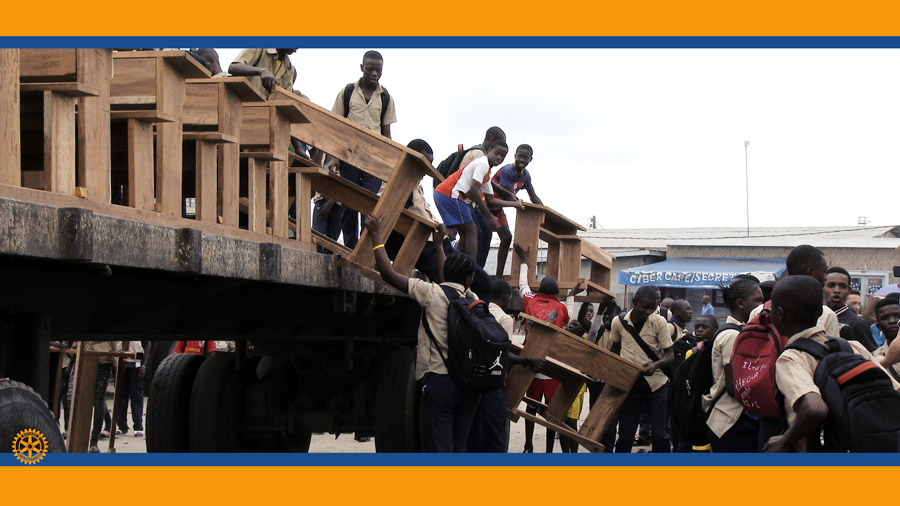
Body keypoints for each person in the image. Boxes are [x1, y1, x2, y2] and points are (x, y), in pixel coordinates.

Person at [366, 214, 479, 452]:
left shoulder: (431, 294)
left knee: (440, 447)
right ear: (470, 278)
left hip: (440, 382)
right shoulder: (474, 301)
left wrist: (377, 236)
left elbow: (388, 274)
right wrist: (438, 246)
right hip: (469, 384)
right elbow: (447, 278)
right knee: (460, 446)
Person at [763, 276, 900, 452]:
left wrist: (785, 441)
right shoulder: (852, 346)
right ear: (821, 313)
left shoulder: (792, 358)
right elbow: (895, 390)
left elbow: (814, 408)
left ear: (779, 314)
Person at [329, 50, 398, 250]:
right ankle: (350, 247)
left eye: (378, 70)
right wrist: (334, 157)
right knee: (349, 203)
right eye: (370, 69)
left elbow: (386, 134)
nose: (374, 73)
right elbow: (337, 126)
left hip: (374, 160)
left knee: (369, 205)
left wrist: (390, 164)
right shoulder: (348, 92)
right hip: (349, 156)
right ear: (362, 68)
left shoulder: (386, 97)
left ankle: (364, 248)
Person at [468, 279, 544, 452]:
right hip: (492, 383)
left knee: (475, 433)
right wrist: (527, 360)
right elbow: (502, 354)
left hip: (472, 380)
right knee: (496, 436)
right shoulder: (504, 319)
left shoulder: (478, 311)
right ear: (505, 297)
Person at [514, 244, 577, 453]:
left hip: (531, 362)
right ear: (556, 293)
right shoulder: (560, 308)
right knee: (551, 413)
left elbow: (522, 284)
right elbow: (570, 317)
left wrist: (524, 260)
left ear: (539, 289)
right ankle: (549, 451)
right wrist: (573, 294)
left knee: (530, 408)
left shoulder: (530, 302)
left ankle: (528, 445)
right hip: (552, 366)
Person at [609, 285, 674, 453]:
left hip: (656, 385)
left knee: (660, 436)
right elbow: (614, 351)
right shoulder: (619, 322)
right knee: (625, 436)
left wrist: (655, 365)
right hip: (630, 386)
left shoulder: (659, 322)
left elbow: (670, 355)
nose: (648, 312)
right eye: (644, 307)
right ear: (634, 302)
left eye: (652, 308)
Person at [434, 143, 523, 262]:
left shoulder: (486, 173)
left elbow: (490, 200)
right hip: (450, 194)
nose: (498, 157)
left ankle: (456, 264)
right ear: (489, 150)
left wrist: (515, 204)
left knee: (465, 234)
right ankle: (472, 268)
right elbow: (474, 189)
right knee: (473, 230)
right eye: (496, 153)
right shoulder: (482, 163)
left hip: (445, 194)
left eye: (502, 156)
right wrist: (489, 216)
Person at [704, 278, 763, 452]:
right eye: (757, 301)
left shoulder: (742, 331)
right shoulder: (733, 336)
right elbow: (733, 387)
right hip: (730, 420)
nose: (761, 307)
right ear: (740, 303)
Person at [748, 245, 839, 335]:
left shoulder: (759, 311)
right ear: (811, 272)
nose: (825, 277)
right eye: (824, 271)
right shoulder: (827, 315)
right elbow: (831, 349)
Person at [489, 144, 543, 278]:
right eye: (520, 156)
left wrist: (544, 212)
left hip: (497, 209)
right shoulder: (508, 170)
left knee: (506, 237)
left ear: (530, 159)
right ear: (515, 156)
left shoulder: (525, 176)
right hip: (485, 205)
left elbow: (533, 197)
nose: (522, 160)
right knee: (482, 237)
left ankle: (498, 277)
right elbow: (509, 195)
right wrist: (520, 204)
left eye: (526, 158)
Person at [824, 266, 876, 351]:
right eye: (831, 285)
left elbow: (870, 356)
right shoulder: (814, 318)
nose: (837, 290)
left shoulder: (858, 324)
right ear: (823, 287)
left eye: (842, 286)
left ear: (848, 290)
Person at [228, 48, 299, 97]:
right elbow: (233, 67)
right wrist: (261, 71)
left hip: (266, 116)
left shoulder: (290, 69)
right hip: (244, 108)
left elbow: (285, 100)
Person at [115, 341, 145, 437]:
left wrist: (144, 365)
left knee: (136, 396)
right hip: (120, 361)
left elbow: (147, 344)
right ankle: (121, 426)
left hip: (135, 363)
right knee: (120, 396)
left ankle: (138, 427)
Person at [872, 294, 900, 382]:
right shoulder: (875, 356)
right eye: (885, 318)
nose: (892, 321)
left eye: (898, 316)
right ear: (878, 326)